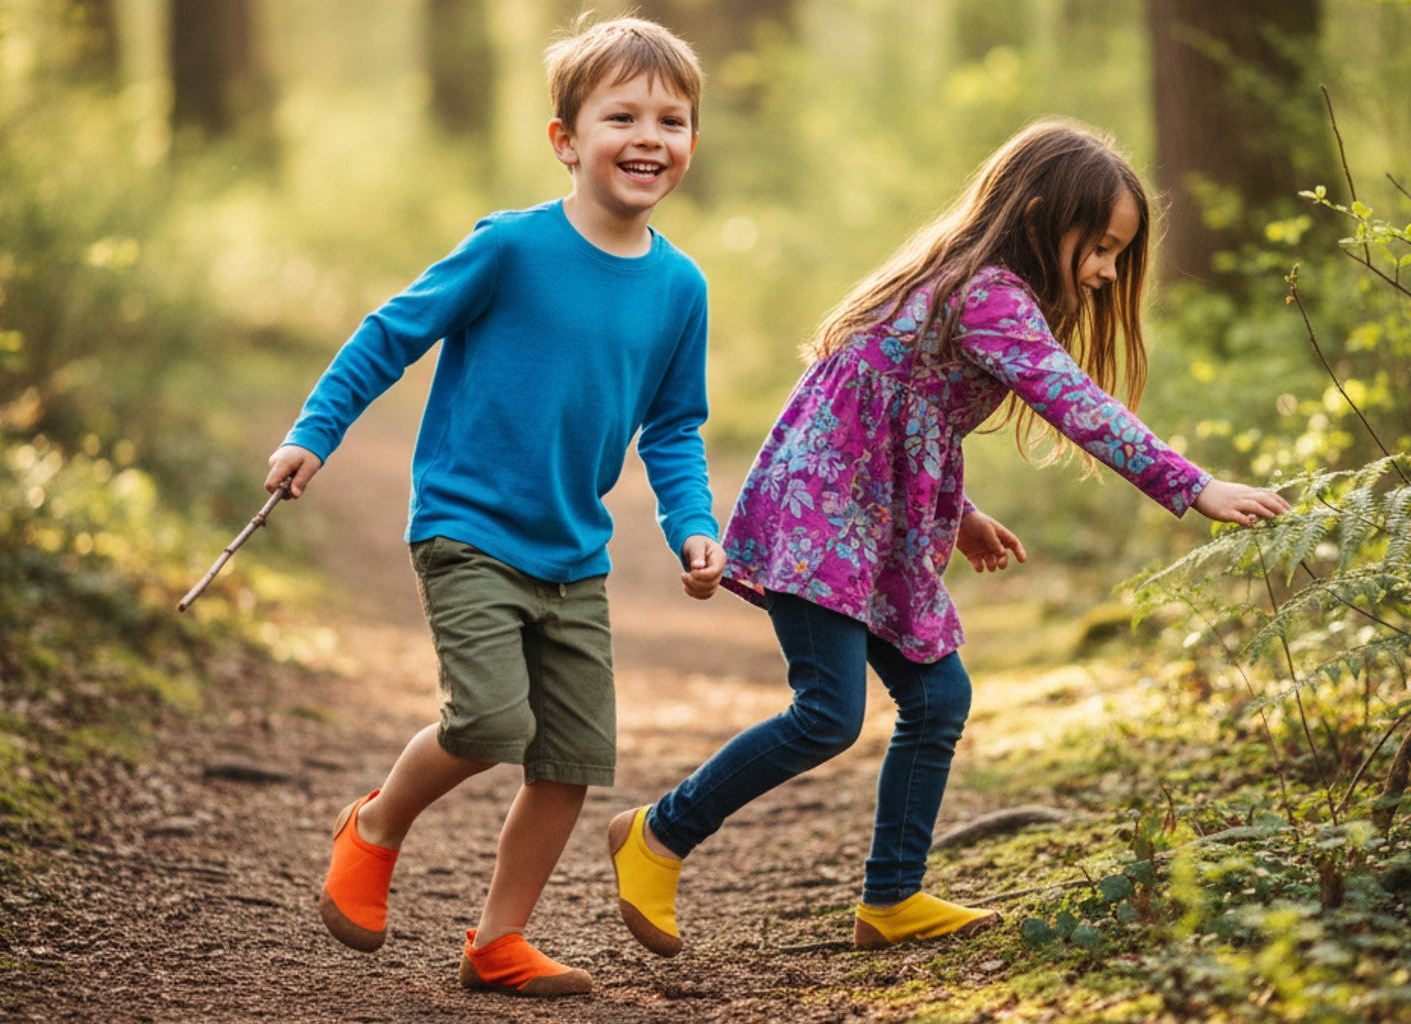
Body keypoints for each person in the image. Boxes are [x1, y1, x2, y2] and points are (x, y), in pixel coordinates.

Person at [606, 117, 1291, 957]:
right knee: (828, 714)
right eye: (1102, 247)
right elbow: (1076, 404)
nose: (1109, 272)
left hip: (866, 521)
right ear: (1039, 215)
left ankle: (892, 897)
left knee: (938, 699)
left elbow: (904, 412)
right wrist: (1195, 486)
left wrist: (960, 515)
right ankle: (657, 835)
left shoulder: (966, 284)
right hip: (824, 519)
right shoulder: (987, 292)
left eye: (1120, 254)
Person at [263, 15, 726, 997]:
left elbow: (675, 427)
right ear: (565, 139)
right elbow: (391, 334)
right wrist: (315, 430)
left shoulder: (680, 287)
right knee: (485, 720)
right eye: (622, 116)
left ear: (692, 139)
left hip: (575, 552)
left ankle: (499, 940)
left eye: (672, 120)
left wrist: (692, 526)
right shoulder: (512, 247)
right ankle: (375, 824)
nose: (649, 137)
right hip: (468, 526)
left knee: (569, 759)